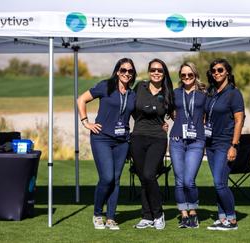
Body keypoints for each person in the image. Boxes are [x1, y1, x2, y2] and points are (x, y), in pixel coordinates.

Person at [77, 58, 137, 230]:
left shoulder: (132, 95)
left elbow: (138, 117)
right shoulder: (106, 86)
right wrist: (86, 122)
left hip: (122, 141)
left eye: (130, 71)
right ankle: (97, 214)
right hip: (101, 138)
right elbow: (81, 99)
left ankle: (111, 218)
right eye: (123, 70)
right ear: (117, 71)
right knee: (107, 178)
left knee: (116, 180)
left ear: (133, 74)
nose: (126, 73)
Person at [131, 58, 174, 230]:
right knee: (143, 178)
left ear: (164, 74)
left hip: (158, 138)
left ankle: (158, 214)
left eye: (160, 70)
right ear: (149, 72)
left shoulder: (168, 92)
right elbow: (131, 109)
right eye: (153, 70)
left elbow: (175, 114)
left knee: (149, 175)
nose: (156, 72)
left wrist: (166, 125)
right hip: (138, 137)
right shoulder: (139, 87)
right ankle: (147, 216)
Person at [204, 58, 244, 231]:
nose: (217, 73)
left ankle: (232, 219)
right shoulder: (212, 92)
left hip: (225, 143)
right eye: (214, 71)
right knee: (219, 183)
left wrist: (233, 145)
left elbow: (239, 120)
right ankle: (222, 218)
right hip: (211, 143)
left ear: (227, 71)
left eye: (220, 70)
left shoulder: (234, 93)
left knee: (220, 183)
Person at [169, 62, 207, 228]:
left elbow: (209, 114)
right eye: (183, 75)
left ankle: (193, 211)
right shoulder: (175, 93)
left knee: (189, 180)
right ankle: (184, 214)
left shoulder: (203, 94)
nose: (186, 78)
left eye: (189, 75)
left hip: (196, 141)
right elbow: (170, 112)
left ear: (195, 75)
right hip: (176, 139)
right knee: (179, 181)